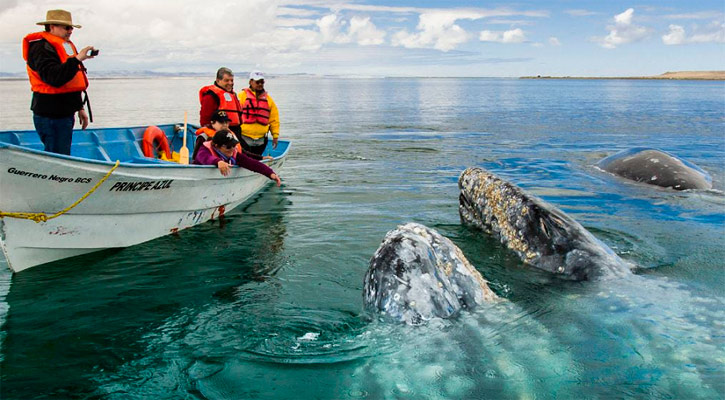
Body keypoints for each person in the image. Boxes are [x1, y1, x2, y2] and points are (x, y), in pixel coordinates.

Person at [22, 9, 96, 155]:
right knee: (57, 156)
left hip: (65, 113)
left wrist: (80, 107)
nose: (70, 31)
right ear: (52, 27)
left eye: (71, 28)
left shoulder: (64, 46)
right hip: (50, 115)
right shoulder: (41, 48)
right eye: (66, 27)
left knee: (63, 153)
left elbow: (70, 81)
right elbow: (54, 78)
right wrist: (77, 59)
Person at [194, 129, 281, 186]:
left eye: (233, 145)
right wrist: (218, 162)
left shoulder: (234, 154)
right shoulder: (204, 150)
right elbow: (205, 158)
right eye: (228, 147)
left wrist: (270, 174)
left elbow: (252, 163)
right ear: (216, 146)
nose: (232, 149)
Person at [192, 110, 273, 161]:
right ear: (212, 122)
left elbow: (241, 152)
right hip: (212, 165)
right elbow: (197, 157)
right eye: (221, 122)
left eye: (227, 122)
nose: (225, 125)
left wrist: (261, 158)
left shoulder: (229, 135)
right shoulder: (204, 137)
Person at [238, 71, 280, 156]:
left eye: (262, 82)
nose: (260, 84)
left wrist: (275, 135)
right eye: (257, 82)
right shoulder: (241, 96)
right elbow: (234, 115)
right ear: (250, 82)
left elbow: (274, 119)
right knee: (247, 159)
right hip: (244, 137)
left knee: (256, 161)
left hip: (261, 140)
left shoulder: (269, 100)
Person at [199, 67, 243, 136]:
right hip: (220, 136)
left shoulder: (233, 95)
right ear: (218, 80)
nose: (230, 83)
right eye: (226, 80)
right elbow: (205, 121)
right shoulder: (210, 96)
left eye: (232, 80)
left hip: (234, 134)